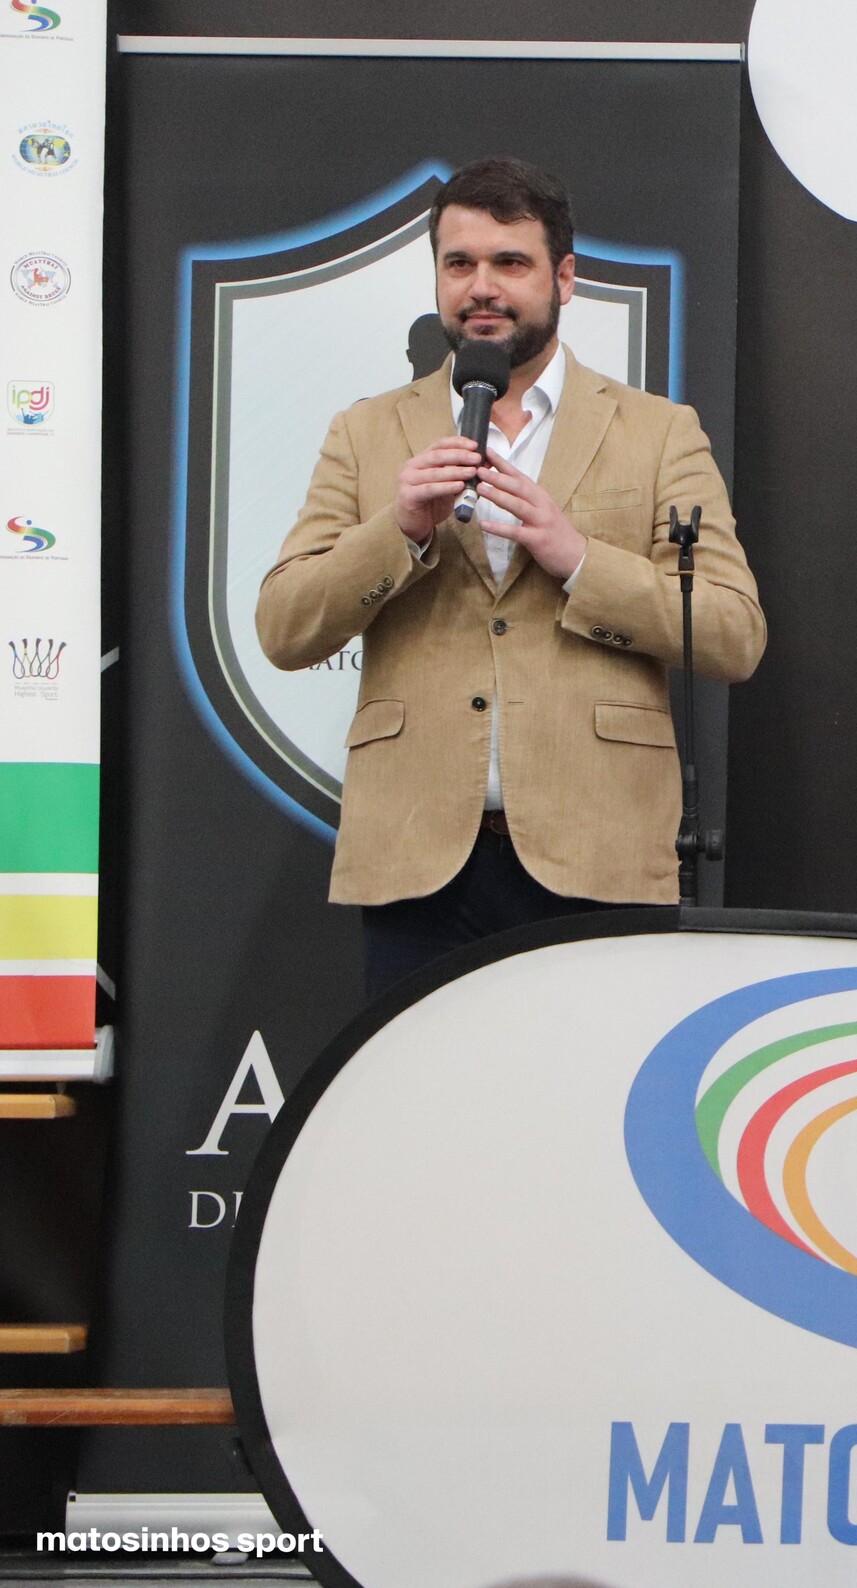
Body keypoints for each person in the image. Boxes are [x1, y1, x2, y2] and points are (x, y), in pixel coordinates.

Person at [256, 157, 765, 997]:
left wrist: (577, 558)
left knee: (590, 1081)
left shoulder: (658, 432)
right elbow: (284, 627)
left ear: (563, 278)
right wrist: (400, 528)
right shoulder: (366, 431)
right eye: (459, 263)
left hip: (598, 846)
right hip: (416, 858)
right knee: (424, 1081)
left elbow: (733, 632)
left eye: (510, 262)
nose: (482, 287)